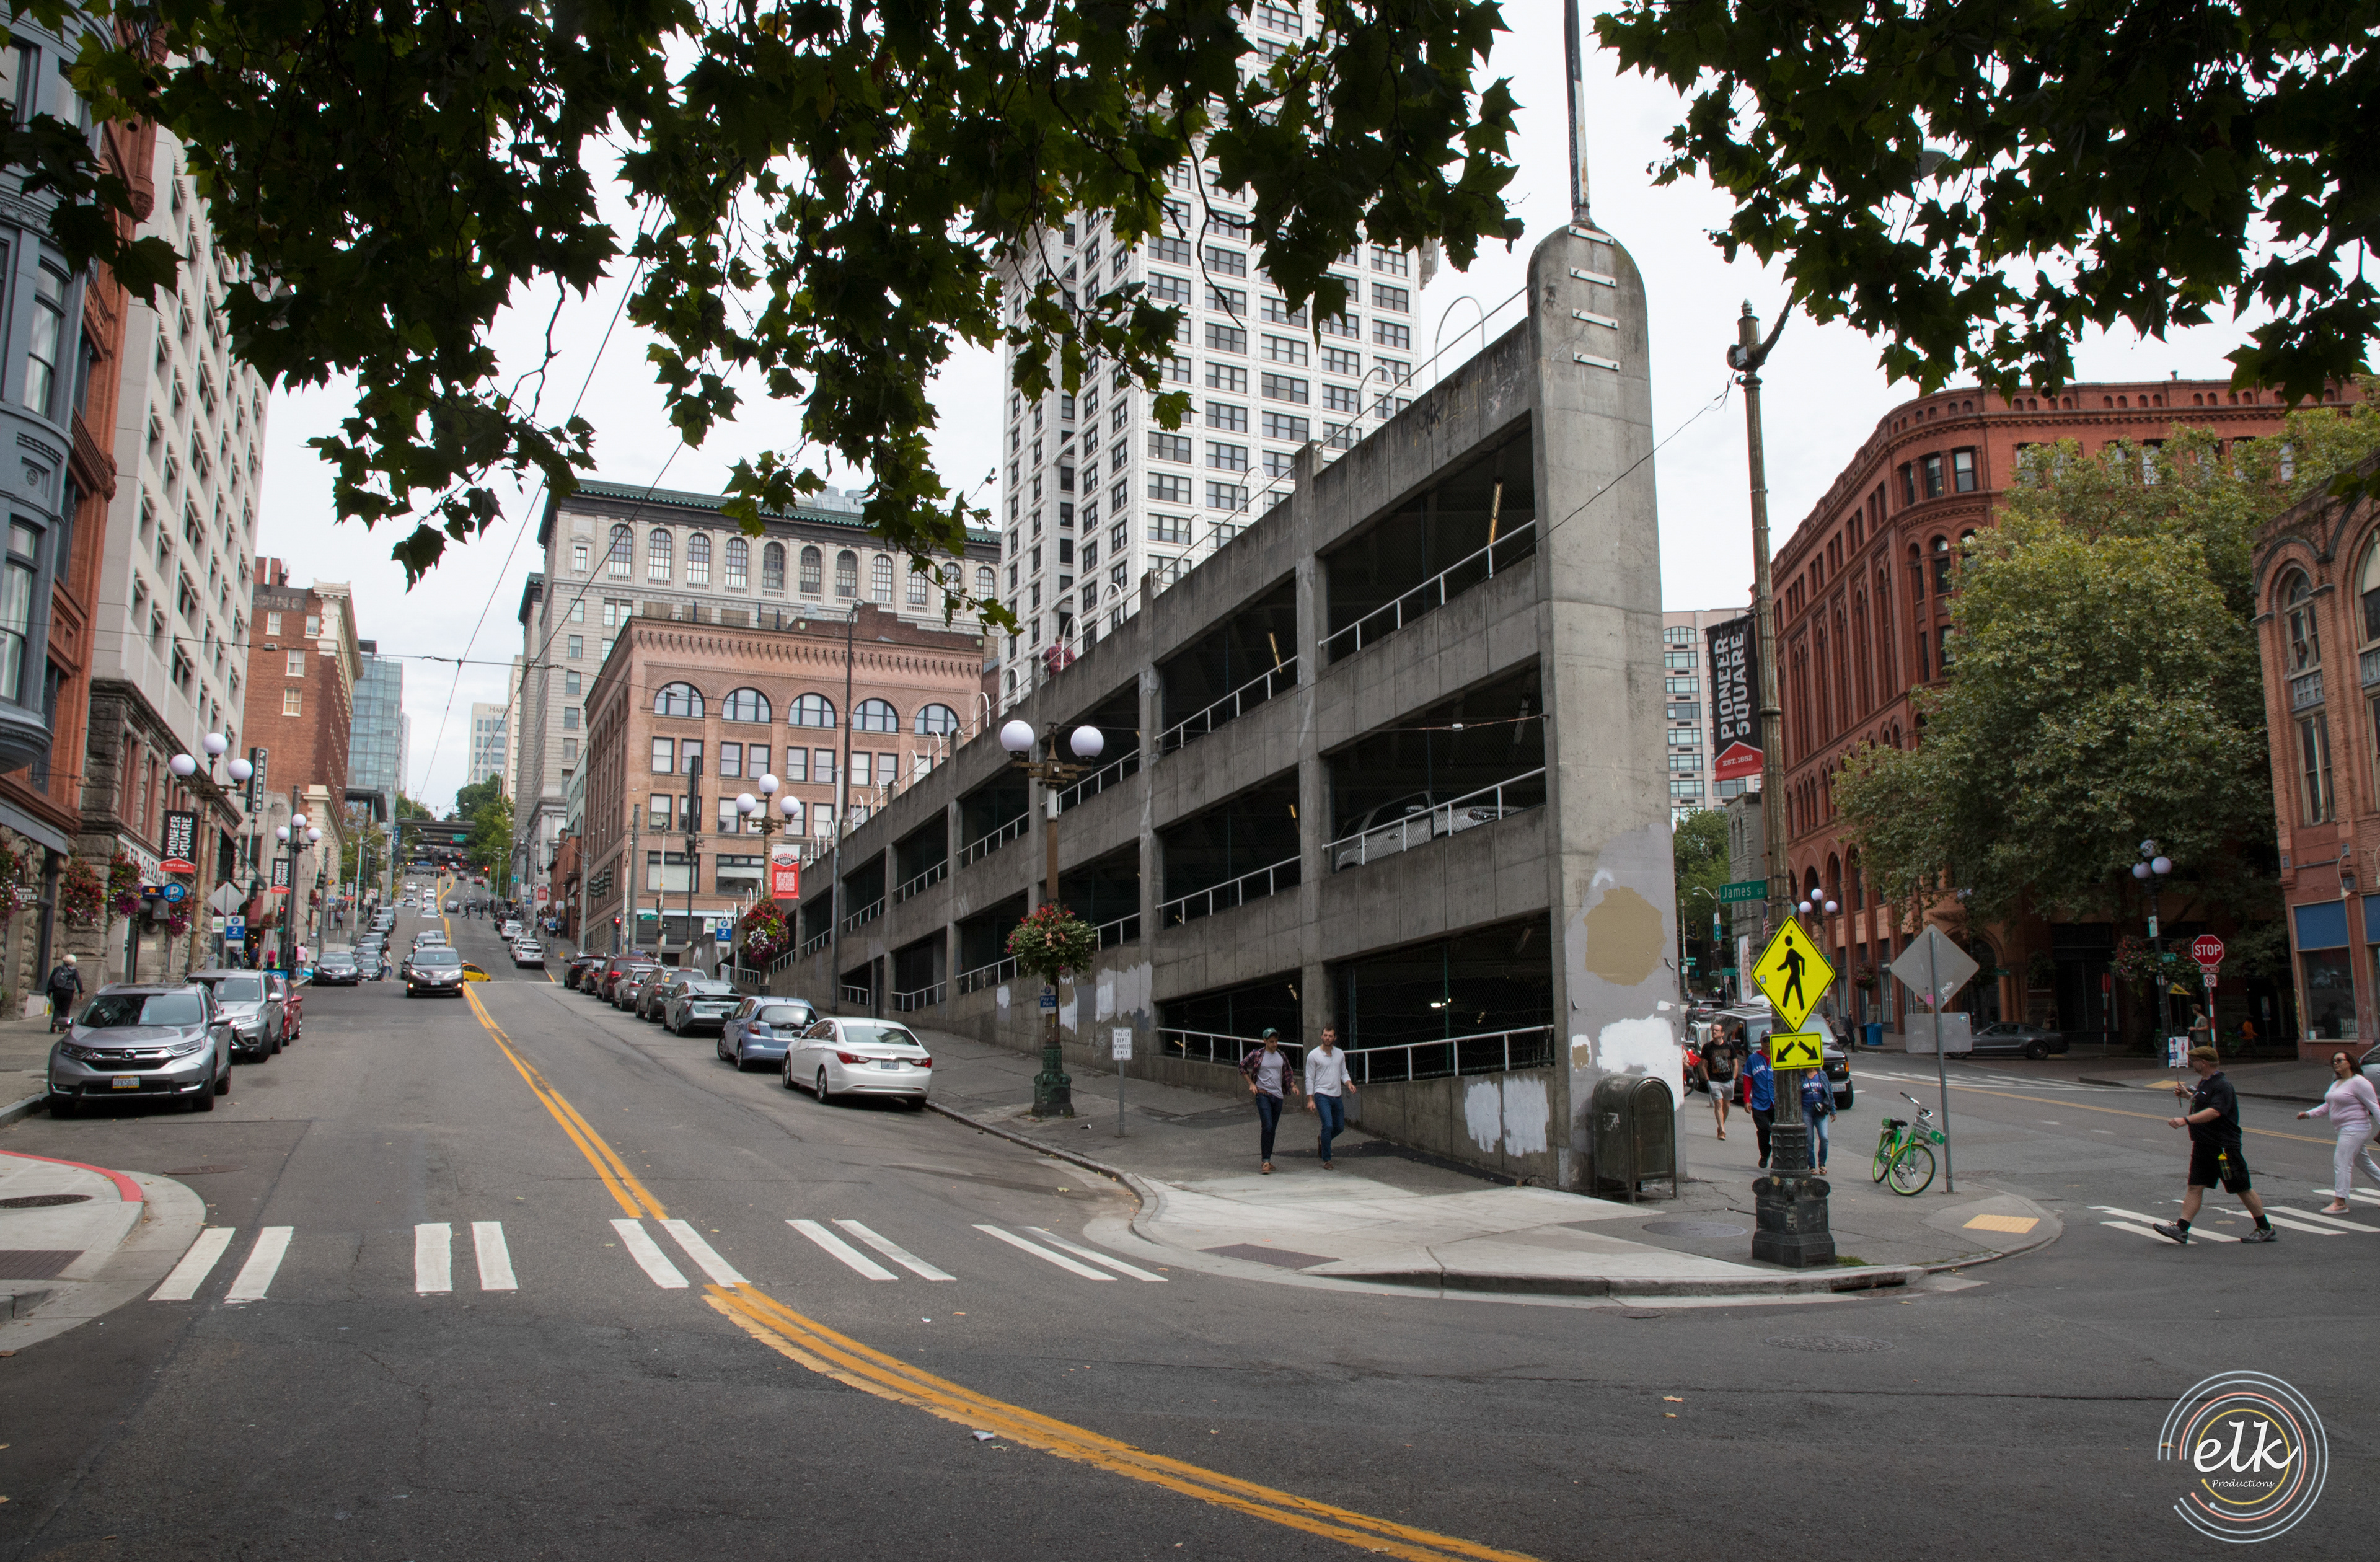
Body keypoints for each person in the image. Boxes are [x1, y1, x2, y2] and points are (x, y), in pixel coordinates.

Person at [2154, 1046, 2276, 1244]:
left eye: (2195, 1061)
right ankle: (2182, 1229)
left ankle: (2264, 1227)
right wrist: (2187, 1095)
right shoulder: (2206, 1083)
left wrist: (2186, 1120)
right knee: (2195, 1186)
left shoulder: (2222, 1085)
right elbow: (2202, 1101)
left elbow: (2215, 1112)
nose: (2192, 1064)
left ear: (2205, 1063)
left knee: (2241, 1187)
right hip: (2204, 1145)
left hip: (2223, 1148)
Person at [2296, 1049, 2380, 1214]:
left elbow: (2374, 1106)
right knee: (2365, 1164)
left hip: (2356, 1128)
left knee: (2341, 1162)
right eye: (2333, 1061)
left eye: (2340, 1060)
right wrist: (2308, 1114)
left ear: (2350, 1062)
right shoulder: (2337, 1082)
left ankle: (2340, 1203)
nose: (2336, 1063)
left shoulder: (2359, 1082)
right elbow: (2328, 1105)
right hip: (2344, 1129)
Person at [1238, 1028, 1300, 1174]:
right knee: (1267, 1125)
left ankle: (1268, 1159)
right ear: (1265, 1041)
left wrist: (1294, 1086)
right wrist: (1251, 1084)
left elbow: (1288, 1075)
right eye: (1271, 1042)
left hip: (1278, 1096)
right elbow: (1242, 1066)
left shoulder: (1281, 1056)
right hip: (1262, 1094)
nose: (1274, 1044)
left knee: (1272, 1129)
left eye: (1276, 1041)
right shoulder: (1257, 1054)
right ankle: (1265, 1162)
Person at [1303, 1026, 1358, 1170]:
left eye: (1330, 1036)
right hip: (1322, 1095)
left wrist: (1349, 1083)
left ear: (1335, 1038)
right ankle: (1326, 1159)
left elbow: (1343, 1072)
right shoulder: (1314, 1055)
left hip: (1337, 1095)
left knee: (1339, 1127)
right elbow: (1309, 1078)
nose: (1327, 1038)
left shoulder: (1339, 1054)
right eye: (1325, 1035)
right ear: (1321, 1037)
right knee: (1327, 1125)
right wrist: (1310, 1099)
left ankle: (1322, 1139)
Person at [1743, 1038, 1776, 1168]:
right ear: (1761, 1043)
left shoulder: (1779, 1056)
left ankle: (1777, 1158)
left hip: (1776, 1103)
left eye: (1770, 1041)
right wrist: (1747, 1100)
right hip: (1759, 1103)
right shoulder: (1753, 1059)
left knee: (1779, 1133)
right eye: (1764, 1041)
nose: (1768, 1044)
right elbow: (1747, 1080)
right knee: (1764, 1129)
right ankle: (1765, 1153)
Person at [1702, 1028, 1736, 1140]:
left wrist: (1734, 1079)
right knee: (1719, 1103)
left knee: (1727, 1105)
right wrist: (1707, 1080)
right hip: (1714, 1080)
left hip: (1728, 1080)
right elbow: (1703, 1065)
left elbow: (1735, 1064)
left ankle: (1720, 1125)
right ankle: (1722, 1131)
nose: (1714, 1032)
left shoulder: (1729, 1046)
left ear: (1723, 1033)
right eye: (1713, 1030)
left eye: (1717, 1030)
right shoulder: (1707, 1047)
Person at [1800, 1067, 1835, 1176]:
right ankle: (1812, 1166)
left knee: (1824, 1138)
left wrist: (1833, 1109)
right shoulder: (1801, 1076)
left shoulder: (1822, 1075)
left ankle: (1822, 1163)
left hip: (1820, 1111)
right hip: (1806, 1111)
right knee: (1809, 1139)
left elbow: (1829, 1092)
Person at [44, 954, 82, 1032]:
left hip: (57, 991)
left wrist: (49, 992)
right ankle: (62, 1029)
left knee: (57, 1008)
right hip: (68, 991)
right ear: (73, 962)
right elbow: (78, 982)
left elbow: (51, 981)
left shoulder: (57, 969)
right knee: (65, 1010)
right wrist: (81, 992)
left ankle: (54, 1023)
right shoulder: (74, 971)